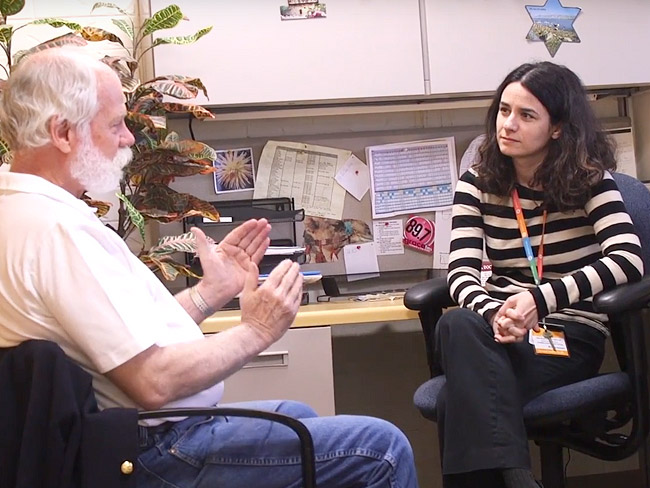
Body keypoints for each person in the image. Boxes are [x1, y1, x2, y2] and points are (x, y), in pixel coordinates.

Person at [0, 47, 419, 488]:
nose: (127, 138)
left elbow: (121, 345)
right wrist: (257, 331)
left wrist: (210, 293)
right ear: (63, 132)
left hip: (140, 438)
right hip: (155, 453)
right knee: (382, 449)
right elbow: (152, 382)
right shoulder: (57, 230)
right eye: (114, 124)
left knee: (296, 417)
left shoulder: (23, 210)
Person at [437, 61, 644, 488]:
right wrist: (498, 314)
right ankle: (516, 475)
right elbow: (460, 273)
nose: (508, 125)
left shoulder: (590, 181)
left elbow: (628, 259)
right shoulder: (475, 185)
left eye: (526, 115)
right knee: (457, 321)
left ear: (556, 128)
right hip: (499, 334)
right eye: (503, 110)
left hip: (566, 339)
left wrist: (539, 301)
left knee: (461, 397)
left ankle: (511, 477)